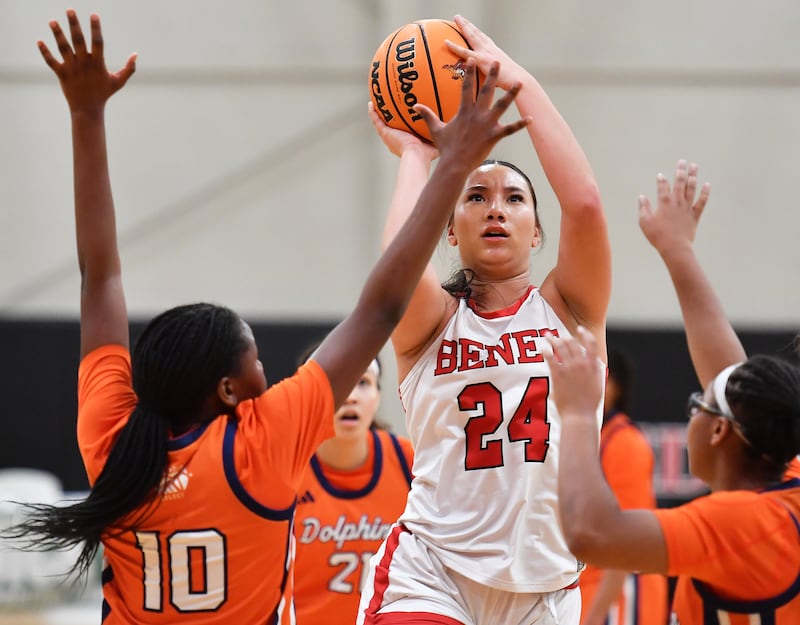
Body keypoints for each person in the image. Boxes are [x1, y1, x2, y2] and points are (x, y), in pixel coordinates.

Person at [7, 10, 530, 625]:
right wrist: (447, 165)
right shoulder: (259, 442)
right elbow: (383, 305)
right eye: (254, 359)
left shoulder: (113, 441)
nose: (266, 372)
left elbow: (101, 281)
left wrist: (85, 116)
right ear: (228, 391)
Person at [358, 14, 611, 625]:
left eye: (514, 199)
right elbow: (396, 266)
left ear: (536, 232)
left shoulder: (569, 310)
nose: (496, 209)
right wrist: (418, 155)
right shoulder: (430, 324)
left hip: (547, 588)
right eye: (476, 196)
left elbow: (584, 203)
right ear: (449, 228)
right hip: (432, 573)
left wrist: (518, 81)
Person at [550, 161, 800, 624]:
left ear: (721, 430)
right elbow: (729, 379)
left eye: (697, 405)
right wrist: (677, 250)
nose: (694, 411)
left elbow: (593, 534)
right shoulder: (785, 478)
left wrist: (581, 413)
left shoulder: (744, 524)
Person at [293, 351, 414, 625]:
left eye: (363, 383)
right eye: (338, 382)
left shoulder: (408, 461)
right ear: (310, 397)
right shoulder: (287, 469)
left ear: (379, 395)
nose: (350, 396)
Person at [579, 348, 668, 625]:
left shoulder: (624, 442)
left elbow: (628, 538)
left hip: (622, 594)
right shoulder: (588, 436)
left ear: (612, 385)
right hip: (586, 590)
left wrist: (596, 615)